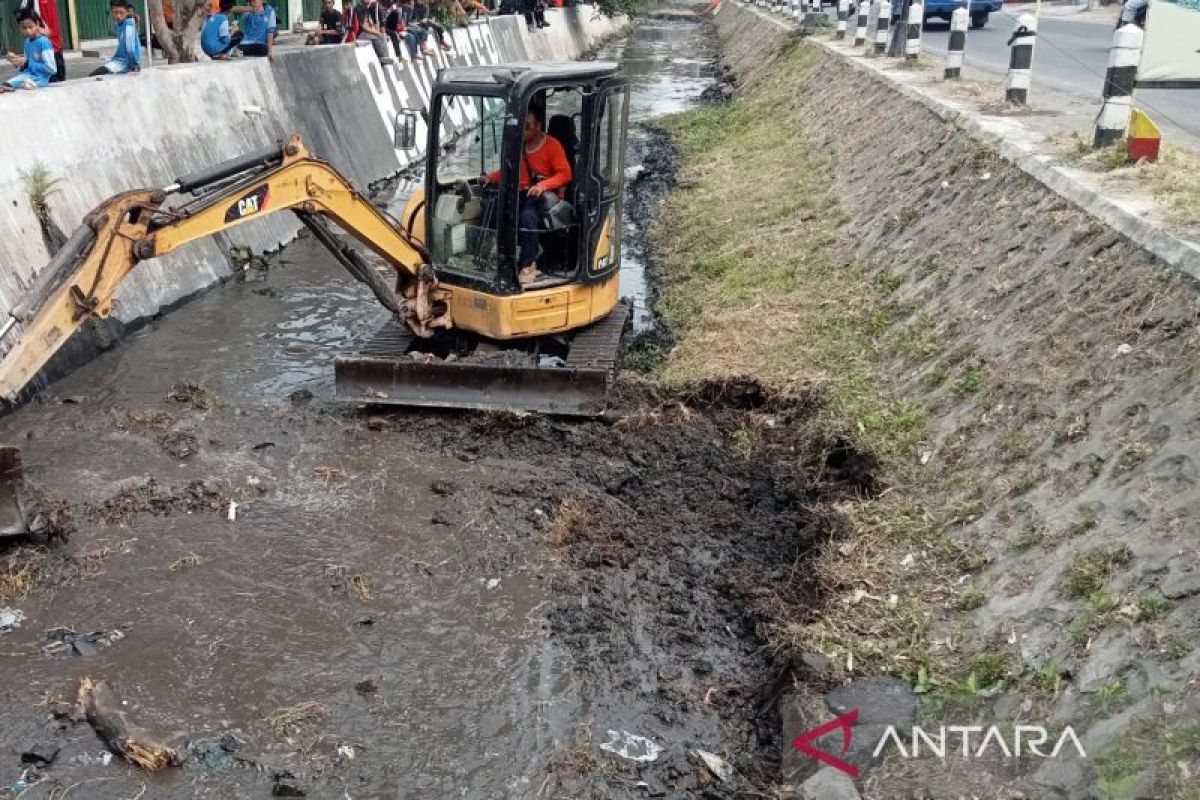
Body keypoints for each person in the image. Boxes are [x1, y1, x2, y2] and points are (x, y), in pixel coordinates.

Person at [483, 107, 571, 286]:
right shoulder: (518, 146)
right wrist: (490, 178)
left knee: (527, 216)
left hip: (544, 196)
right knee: (492, 208)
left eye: (527, 126)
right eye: (520, 125)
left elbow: (565, 174)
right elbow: (510, 170)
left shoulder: (552, 146)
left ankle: (528, 263)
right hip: (521, 192)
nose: (522, 130)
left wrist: (542, 186)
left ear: (538, 126)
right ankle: (489, 253)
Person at [1, 9, 57, 92]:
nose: (28, 31)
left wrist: (30, 64)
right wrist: (15, 61)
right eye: (24, 28)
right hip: (28, 75)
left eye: (30, 27)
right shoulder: (27, 42)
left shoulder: (44, 42)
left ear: (37, 24)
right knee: (7, 84)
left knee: (20, 84)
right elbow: (26, 66)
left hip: (40, 79)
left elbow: (52, 69)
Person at [14, 0, 65, 82]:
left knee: (55, 83)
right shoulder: (27, 3)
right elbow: (24, 21)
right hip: (39, 47)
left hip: (52, 47)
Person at [89, 0, 142, 76]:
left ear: (127, 12)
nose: (118, 16)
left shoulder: (128, 24)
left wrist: (134, 65)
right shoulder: (120, 24)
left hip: (125, 63)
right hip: (119, 60)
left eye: (121, 13)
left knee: (95, 74)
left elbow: (130, 48)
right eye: (115, 13)